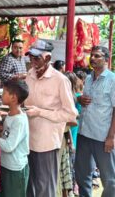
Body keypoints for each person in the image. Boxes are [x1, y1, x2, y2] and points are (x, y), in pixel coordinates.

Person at [24, 39, 78, 197]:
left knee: (45, 188)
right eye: (31, 57)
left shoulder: (60, 80)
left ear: (47, 58)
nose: (32, 61)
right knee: (30, 185)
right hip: (28, 139)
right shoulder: (30, 74)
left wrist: (40, 112)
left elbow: (70, 114)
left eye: (36, 58)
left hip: (46, 143)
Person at [75, 46, 115, 197]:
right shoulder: (89, 78)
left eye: (97, 56)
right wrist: (79, 98)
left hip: (102, 137)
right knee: (82, 175)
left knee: (110, 179)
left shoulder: (112, 80)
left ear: (106, 59)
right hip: (84, 133)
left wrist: (111, 137)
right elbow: (84, 100)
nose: (92, 58)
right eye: (91, 55)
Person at [0, 81, 30, 197]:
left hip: (15, 169)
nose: (1, 95)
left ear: (13, 98)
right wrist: (0, 128)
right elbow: (8, 134)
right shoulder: (11, 114)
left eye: (4, 93)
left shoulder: (19, 120)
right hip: (6, 164)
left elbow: (9, 146)